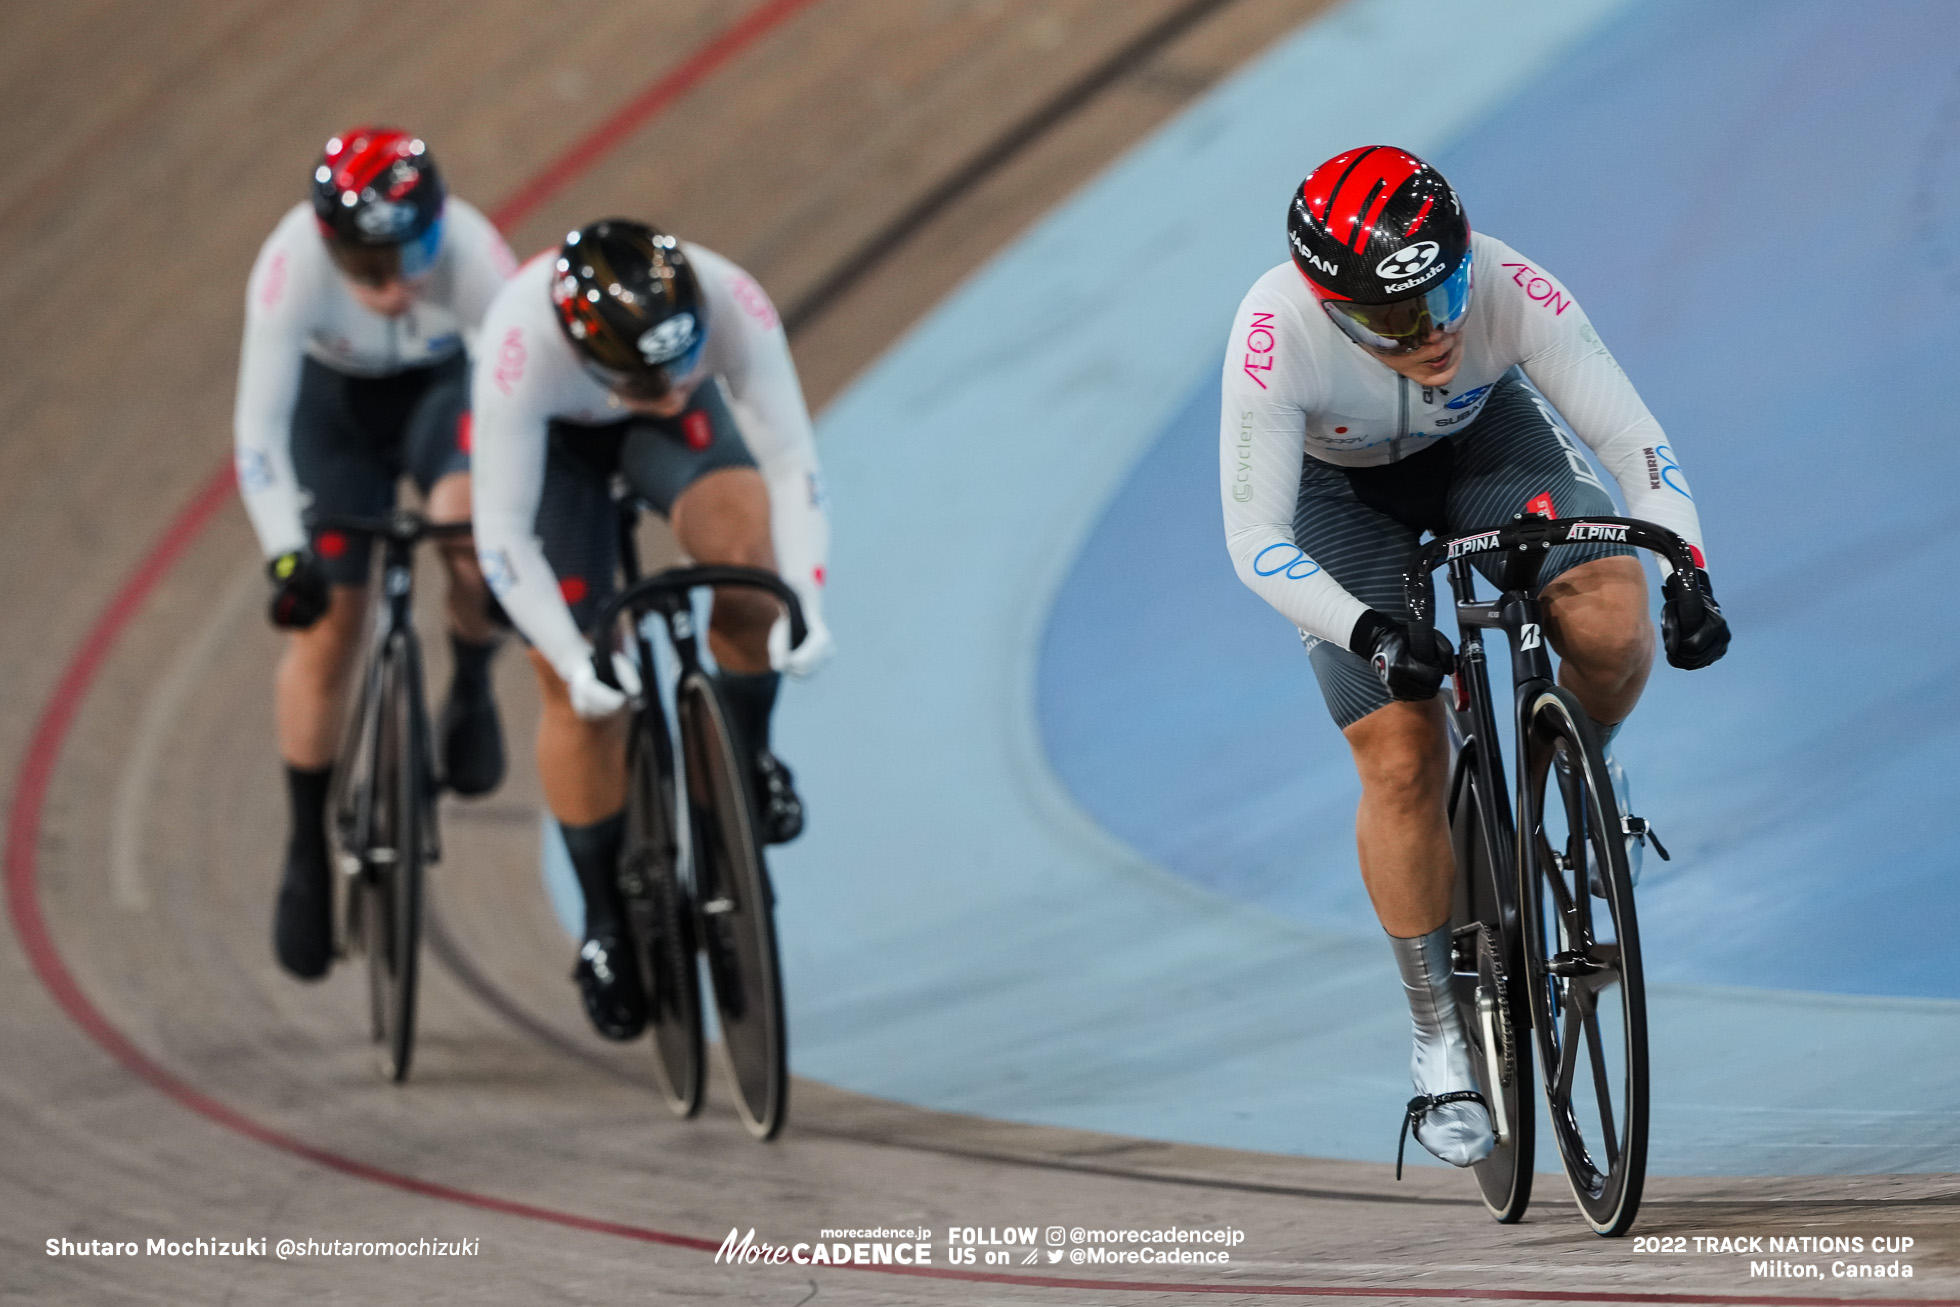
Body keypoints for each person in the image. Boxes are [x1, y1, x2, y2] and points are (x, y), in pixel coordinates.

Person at [1219, 146, 1729, 1171]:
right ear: (1335, 307)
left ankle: (1585, 768)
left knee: (1611, 612)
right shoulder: (1274, 336)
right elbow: (1254, 538)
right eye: (1401, 319)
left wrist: (1688, 567)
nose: (1439, 328)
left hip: (1486, 445)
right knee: (1402, 758)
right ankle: (1436, 1038)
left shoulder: (1506, 285)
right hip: (1341, 504)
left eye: (1445, 291)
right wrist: (1368, 632)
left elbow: (1637, 447)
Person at [470, 218, 833, 1040]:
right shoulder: (519, 349)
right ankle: (604, 920)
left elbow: (792, 465)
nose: (672, 391)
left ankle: (742, 757)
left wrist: (803, 597)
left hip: (657, 446)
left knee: (748, 566)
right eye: (647, 380)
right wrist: (569, 654)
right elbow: (501, 533)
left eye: (683, 366)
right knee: (581, 688)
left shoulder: (731, 299)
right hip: (557, 453)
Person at [235, 126, 517, 981]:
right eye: (370, 270)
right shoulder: (289, 270)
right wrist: (289, 557)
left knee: (467, 526)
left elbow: (515, 405)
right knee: (330, 622)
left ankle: (469, 689)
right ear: (332, 249)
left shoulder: (476, 256)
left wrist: (504, 538)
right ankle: (304, 844)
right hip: (337, 417)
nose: (397, 287)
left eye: (413, 254)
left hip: (442, 397)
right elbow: (257, 433)